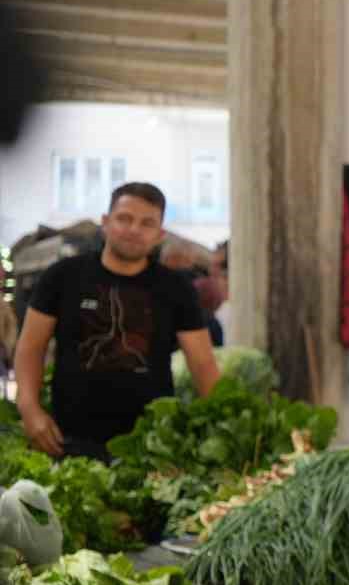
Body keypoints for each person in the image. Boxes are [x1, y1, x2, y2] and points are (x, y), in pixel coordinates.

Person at [14, 182, 221, 460]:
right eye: (125, 218)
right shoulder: (62, 277)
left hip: (152, 448)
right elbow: (30, 347)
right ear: (105, 222)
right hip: (68, 441)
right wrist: (29, 409)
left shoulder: (176, 289)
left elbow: (203, 364)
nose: (134, 229)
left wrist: (221, 427)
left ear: (159, 234)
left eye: (147, 223)